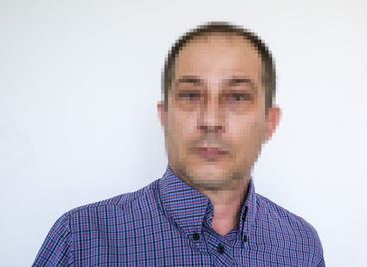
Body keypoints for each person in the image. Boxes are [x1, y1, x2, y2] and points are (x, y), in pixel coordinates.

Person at [33, 22, 325, 266]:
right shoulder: (80, 239)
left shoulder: (302, 245)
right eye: (190, 95)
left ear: (269, 123)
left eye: (237, 97)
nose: (211, 120)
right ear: (165, 116)